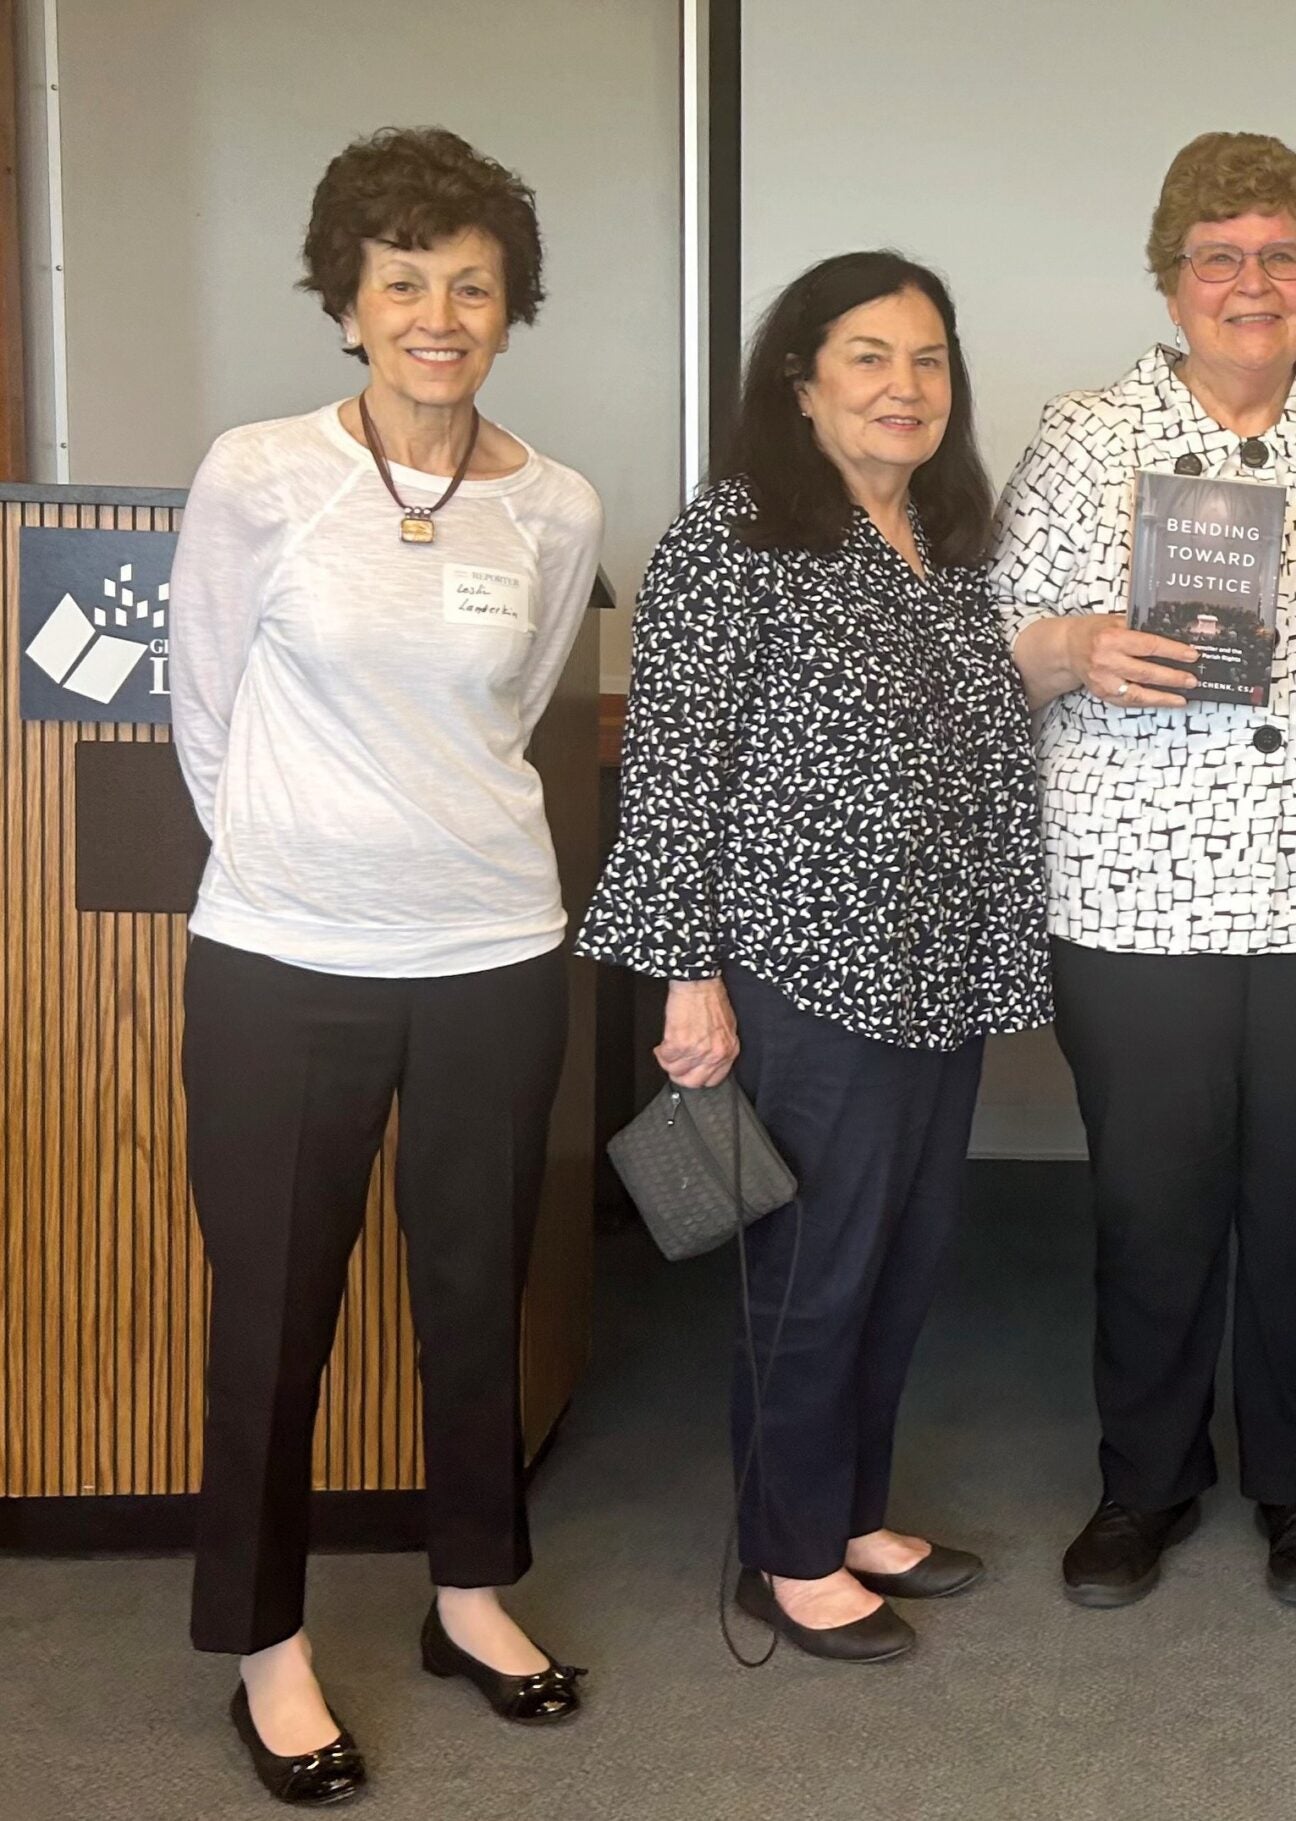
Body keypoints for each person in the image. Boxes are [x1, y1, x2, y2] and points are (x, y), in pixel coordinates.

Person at [170, 126, 602, 1805]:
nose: (439, 313)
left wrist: (419, 847)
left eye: (473, 285)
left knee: (475, 1290)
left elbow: (508, 711)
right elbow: (204, 708)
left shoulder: (554, 502)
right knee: (273, 1308)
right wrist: (307, 860)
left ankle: (470, 1594)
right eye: (404, 280)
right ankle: (266, 1646)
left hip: (495, 946)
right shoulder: (259, 474)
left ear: (511, 309)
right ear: (347, 301)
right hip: (284, 957)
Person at [992, 131, 1296, 1610]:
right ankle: (1145, 1481)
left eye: (1281, 255)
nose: (1251, 282)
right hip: (1132, 891)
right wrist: (1074, 648)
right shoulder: (1083, 431)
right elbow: (987, 651)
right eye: (1219, 257)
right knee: (1154, 1197)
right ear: (1172, 279)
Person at [579, 253, 1048, 1661]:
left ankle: (848, 1507)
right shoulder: (733, 538)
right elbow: (672, 766)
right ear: (799, 380)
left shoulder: (948, 549)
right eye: (867, 356)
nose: (904, 387)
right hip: (797, 964)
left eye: (927, 360)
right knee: (812, 1265)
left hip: (938, 963)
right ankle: (782, 1550)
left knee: (904, 1256)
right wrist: (686, 971)